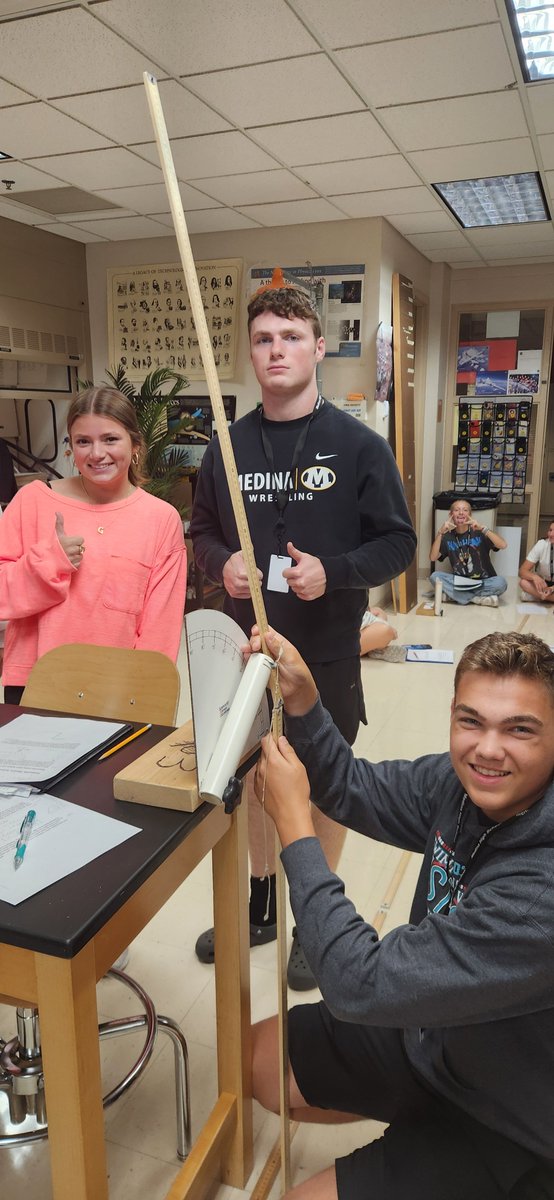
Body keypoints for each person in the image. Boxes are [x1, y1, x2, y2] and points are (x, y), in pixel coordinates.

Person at [249, 626, 554, 1200]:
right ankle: (412, 1124)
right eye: (471, 721)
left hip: (505, 1120)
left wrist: (295, 828)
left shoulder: (540, 896)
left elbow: (356, 983)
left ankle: (435, 1152)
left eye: (520, 729)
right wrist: (305, 701)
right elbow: (350, 785)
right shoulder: (461, 785)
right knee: (259, 1058)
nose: (488, 749)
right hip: (432, 1039)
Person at [191, 278, 416, 988]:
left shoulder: (359, 446)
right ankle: (263, 902)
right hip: (245, 650)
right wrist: (221, 562)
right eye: (263, 339)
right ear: (250, 354)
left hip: (322, 653)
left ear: (319, 348)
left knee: (326, 786)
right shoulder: (225, 448)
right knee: (257, 780)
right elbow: (199, 531)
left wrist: (338, 571)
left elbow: (399, 543)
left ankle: (316, 922)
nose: (276, 349)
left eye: (291, 337)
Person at [0, 386, 187, 703]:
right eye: (83, 441)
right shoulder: (32, 501)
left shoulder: (161, 519)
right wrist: (49, 561)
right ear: (71, 448)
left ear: (135, 445)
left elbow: (159, 629)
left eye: (110, 439)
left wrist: (144, 694)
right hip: (35, 681)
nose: (96, 453)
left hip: (116, 689)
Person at [430, 498, 507, 607]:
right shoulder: (447, 537)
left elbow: (503, 545)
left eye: (465, 510)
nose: (461, 512)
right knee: (435, 577)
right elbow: (433, 557)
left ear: (470, 514)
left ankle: (457, 597)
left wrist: (483, 529)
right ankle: (477, 599)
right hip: (460, 582)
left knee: (501, 583)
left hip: (483, 581)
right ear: (450, 514)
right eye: (457, 510)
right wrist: (440, 533)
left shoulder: (480, 532)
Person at [518, 520, 554, 604]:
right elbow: (522, 571)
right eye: (550, 530)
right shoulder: (541, 544)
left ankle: (540, 597)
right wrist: (535, 577)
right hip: (544, 584)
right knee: (523, 583)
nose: (551, 534)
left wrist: (552, 588)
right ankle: (546, 597)